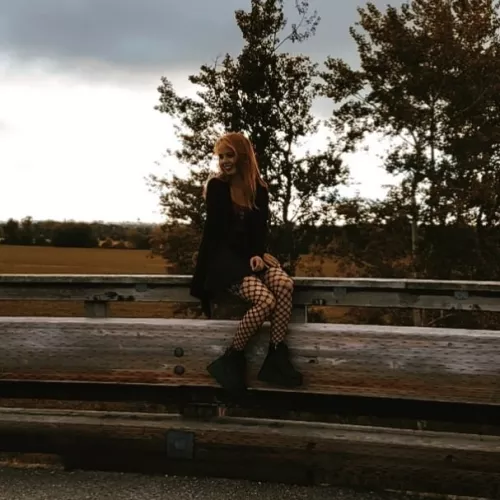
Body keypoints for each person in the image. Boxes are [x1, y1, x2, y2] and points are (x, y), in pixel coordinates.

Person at [190, 132, 303, 395]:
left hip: (250, 258)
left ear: (243, 156)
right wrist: (203, 277)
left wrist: (259, 252)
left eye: (229, 155)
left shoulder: (259, 189)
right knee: (265, 301)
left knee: (284, 284)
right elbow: (217, 234)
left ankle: (276, 358)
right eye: (221, 156)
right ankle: (231, 358)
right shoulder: (217, 187)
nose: (224, 161)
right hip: (224, 261)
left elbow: (258, 230)